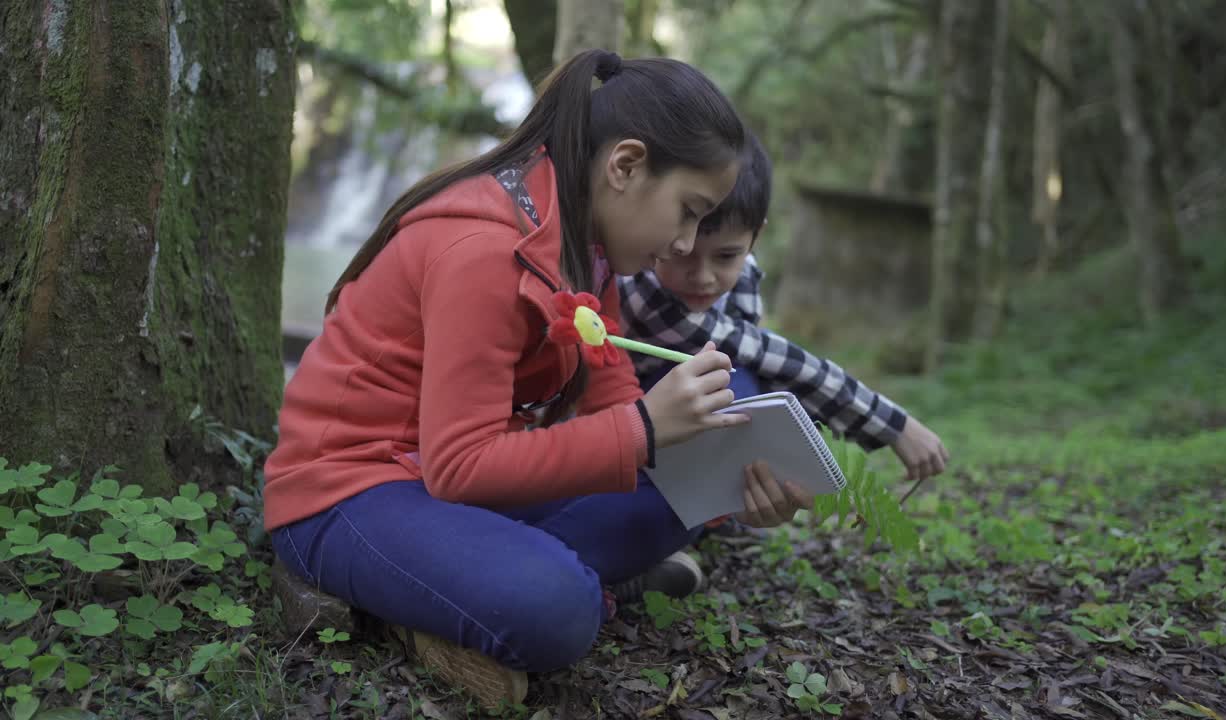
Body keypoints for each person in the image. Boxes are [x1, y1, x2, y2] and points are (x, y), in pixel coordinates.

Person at [262, 50, 807, 709]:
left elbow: (613, 397)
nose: (688, 244)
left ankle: (460, 586)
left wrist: (723, 477)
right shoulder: (484, 253)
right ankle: (439, 599)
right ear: (626, 166)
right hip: (349, 493)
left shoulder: (585, 242)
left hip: (451, 490)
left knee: (731, 414)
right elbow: (460, 467)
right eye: (688, 211)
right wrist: (643, 432)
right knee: (557, 606)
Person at [618, 131, 949, 507]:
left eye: (725, 256)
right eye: (682, 254)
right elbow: (781, 361)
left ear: (757, 235)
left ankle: (723, 515)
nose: (703, 276)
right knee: (732, 383)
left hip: (678, 435)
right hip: (629, 423)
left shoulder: (743, 272)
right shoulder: (648, 294)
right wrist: (895, 425)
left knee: (743, 390)